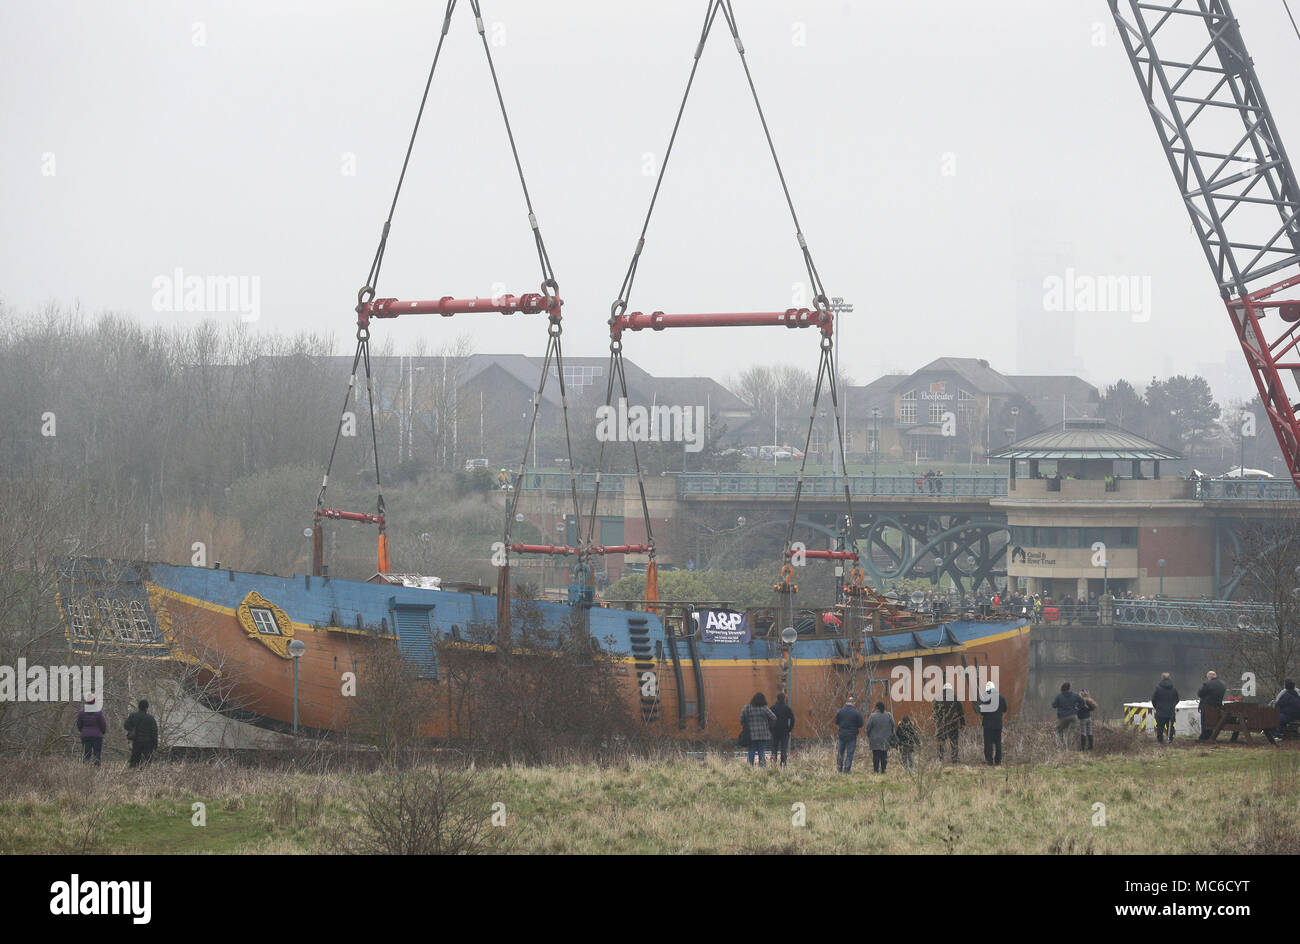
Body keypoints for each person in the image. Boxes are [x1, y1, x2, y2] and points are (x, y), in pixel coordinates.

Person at [740, 692, 778, 767]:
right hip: (763, 734)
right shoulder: (764, 708)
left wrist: (746, 726)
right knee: (761, 751)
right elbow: (774, 717)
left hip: (751, 734)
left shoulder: (747, 708)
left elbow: (741, 719)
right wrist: (768, 725)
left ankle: (749, 767)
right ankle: (762, 767)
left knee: (751, 750)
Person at [976, 680, 1007, 765]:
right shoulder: (1001, 698)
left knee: (988, 743)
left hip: (988, 725)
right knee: (998, 743)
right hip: (998, 725)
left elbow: (982, 712)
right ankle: (998, 761)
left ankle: (989, 761)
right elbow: (1005, 709)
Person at [933, 683, 965, 761]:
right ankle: (954, 758)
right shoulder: (955, 699)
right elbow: (961, 712)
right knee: (954, 742)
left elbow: (935, 713)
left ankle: (940, 758)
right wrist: (963, 723)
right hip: (953, 724)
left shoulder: (938, 699)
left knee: (941, 742)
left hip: (942, 725)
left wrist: (937, 723)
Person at [833, 695, 865, 773]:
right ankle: (847, 770)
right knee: (849, 753)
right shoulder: (857, 713)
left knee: (840, 753)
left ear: (846, 702)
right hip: (852, 736)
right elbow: (861, 724)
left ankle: (839, 769)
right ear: (853, 703)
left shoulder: (840, 711)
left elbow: (836, 721)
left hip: (842, 735)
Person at [124, 699, 159, 768]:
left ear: (139, 706)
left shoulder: (133, 716)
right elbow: (155, 732)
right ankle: (145, 774)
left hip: (136, 741)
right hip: (147, 742)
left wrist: (132, 729)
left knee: (134, 760)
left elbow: (126, 725)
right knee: (147, 761)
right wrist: (155, 745)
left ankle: (132, 774)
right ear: (147, 707)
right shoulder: (150, 718)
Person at [75, 694, 107, 767]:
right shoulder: (99, 712)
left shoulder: (81, 712)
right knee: (97, 753)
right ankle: (97, 769)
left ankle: (85, 770)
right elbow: (103, 724)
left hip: (85, 736)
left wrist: (83, 731)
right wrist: (102, 732)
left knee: (86, 754)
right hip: (97, 736)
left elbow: (79, 724)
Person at [865, 701, 895, 774]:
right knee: (884, 755)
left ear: (877, 707)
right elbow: (893, 726)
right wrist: (890, 734)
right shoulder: (889, 715)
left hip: (875, 739)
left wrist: (869, 735)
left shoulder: (872, 716)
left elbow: (868, 727)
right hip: (886, 739)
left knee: (876, 755)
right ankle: (883, 770)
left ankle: (876, 770)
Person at [1051, 682, 1083, 748]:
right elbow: (1082, 702)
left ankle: (1060, 746)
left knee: (1058, 731)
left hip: (1063, 717)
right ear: (1069, 688)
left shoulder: (1059, 696)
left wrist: (1058, 704)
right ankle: (1069, 748)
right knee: (1071, 732)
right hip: (1073, 716)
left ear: (1062, 688)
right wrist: (1077, 708)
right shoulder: (1075, 694)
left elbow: (1054, 705)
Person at [1196, 670, 1226, 741]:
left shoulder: (1207, 684)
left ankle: (1204, 737)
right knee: (1213, 722)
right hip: (1218, 706)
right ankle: (1210, 736)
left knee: (1205, 722)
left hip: (1207, 707)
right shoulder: (1222, 684)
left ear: (1209, 677)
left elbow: (1200, 693)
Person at [769, 692, 796, 767]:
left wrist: (770, 729)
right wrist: (790, 729)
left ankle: (773, 764)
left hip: (774, 731)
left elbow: (768, 719)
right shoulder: (787, 708)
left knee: (774, 748)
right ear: (784, 699)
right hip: (785, 731)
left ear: (777, 699)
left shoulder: (772, 708)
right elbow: (793, 719)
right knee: (784, 748)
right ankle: (783, 764)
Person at [1151, 672, 1179, 743]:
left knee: (1160, 726)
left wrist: (1156, 707)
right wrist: (1172, 705)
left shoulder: (1158, 688)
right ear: (1169, 678)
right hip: (1170, 711)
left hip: (1160, 711)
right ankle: (1170, 740)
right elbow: (1177, 699)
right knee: (1170, 726)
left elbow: (1153, 699)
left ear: (1162, 678)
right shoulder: (1174, 688)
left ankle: (1160, 740)